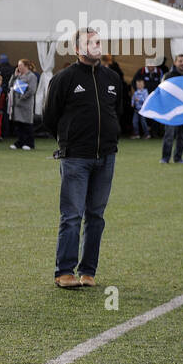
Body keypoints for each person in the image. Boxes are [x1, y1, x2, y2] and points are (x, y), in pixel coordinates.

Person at [42, 28, 121, 289]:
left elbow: (117, 111)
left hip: (106, 157)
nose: (96, 45)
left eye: (98, 41)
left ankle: (88, 272)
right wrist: (68, 141)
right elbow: (50, 116)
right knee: (72, 216)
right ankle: (64, 272)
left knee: (96, 217)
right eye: (90, 42)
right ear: (78, 49)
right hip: (75, 158)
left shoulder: (112, 77)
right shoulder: (64, 78)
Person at [159, 53, 183, 164]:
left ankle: (178, 158)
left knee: (182, 136)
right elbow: (162, 92)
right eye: (180, 61)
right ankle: (165, 158)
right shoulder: (168, 77)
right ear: (175, 63)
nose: (182, 63)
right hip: (171, 111)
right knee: (169, 135)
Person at [7, 59, 37, 150]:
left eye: (21, 65)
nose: (19, 67)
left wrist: (22, 98)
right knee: (19, 124)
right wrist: (14, 76)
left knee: (27, 124)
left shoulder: (31, 76)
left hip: (26, 104)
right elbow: (10, 85)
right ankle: (20, 142)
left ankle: (29, 143)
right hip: (17, 104)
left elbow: (32, 90)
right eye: (18, 65)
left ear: (26, 66)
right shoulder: (19, 76)